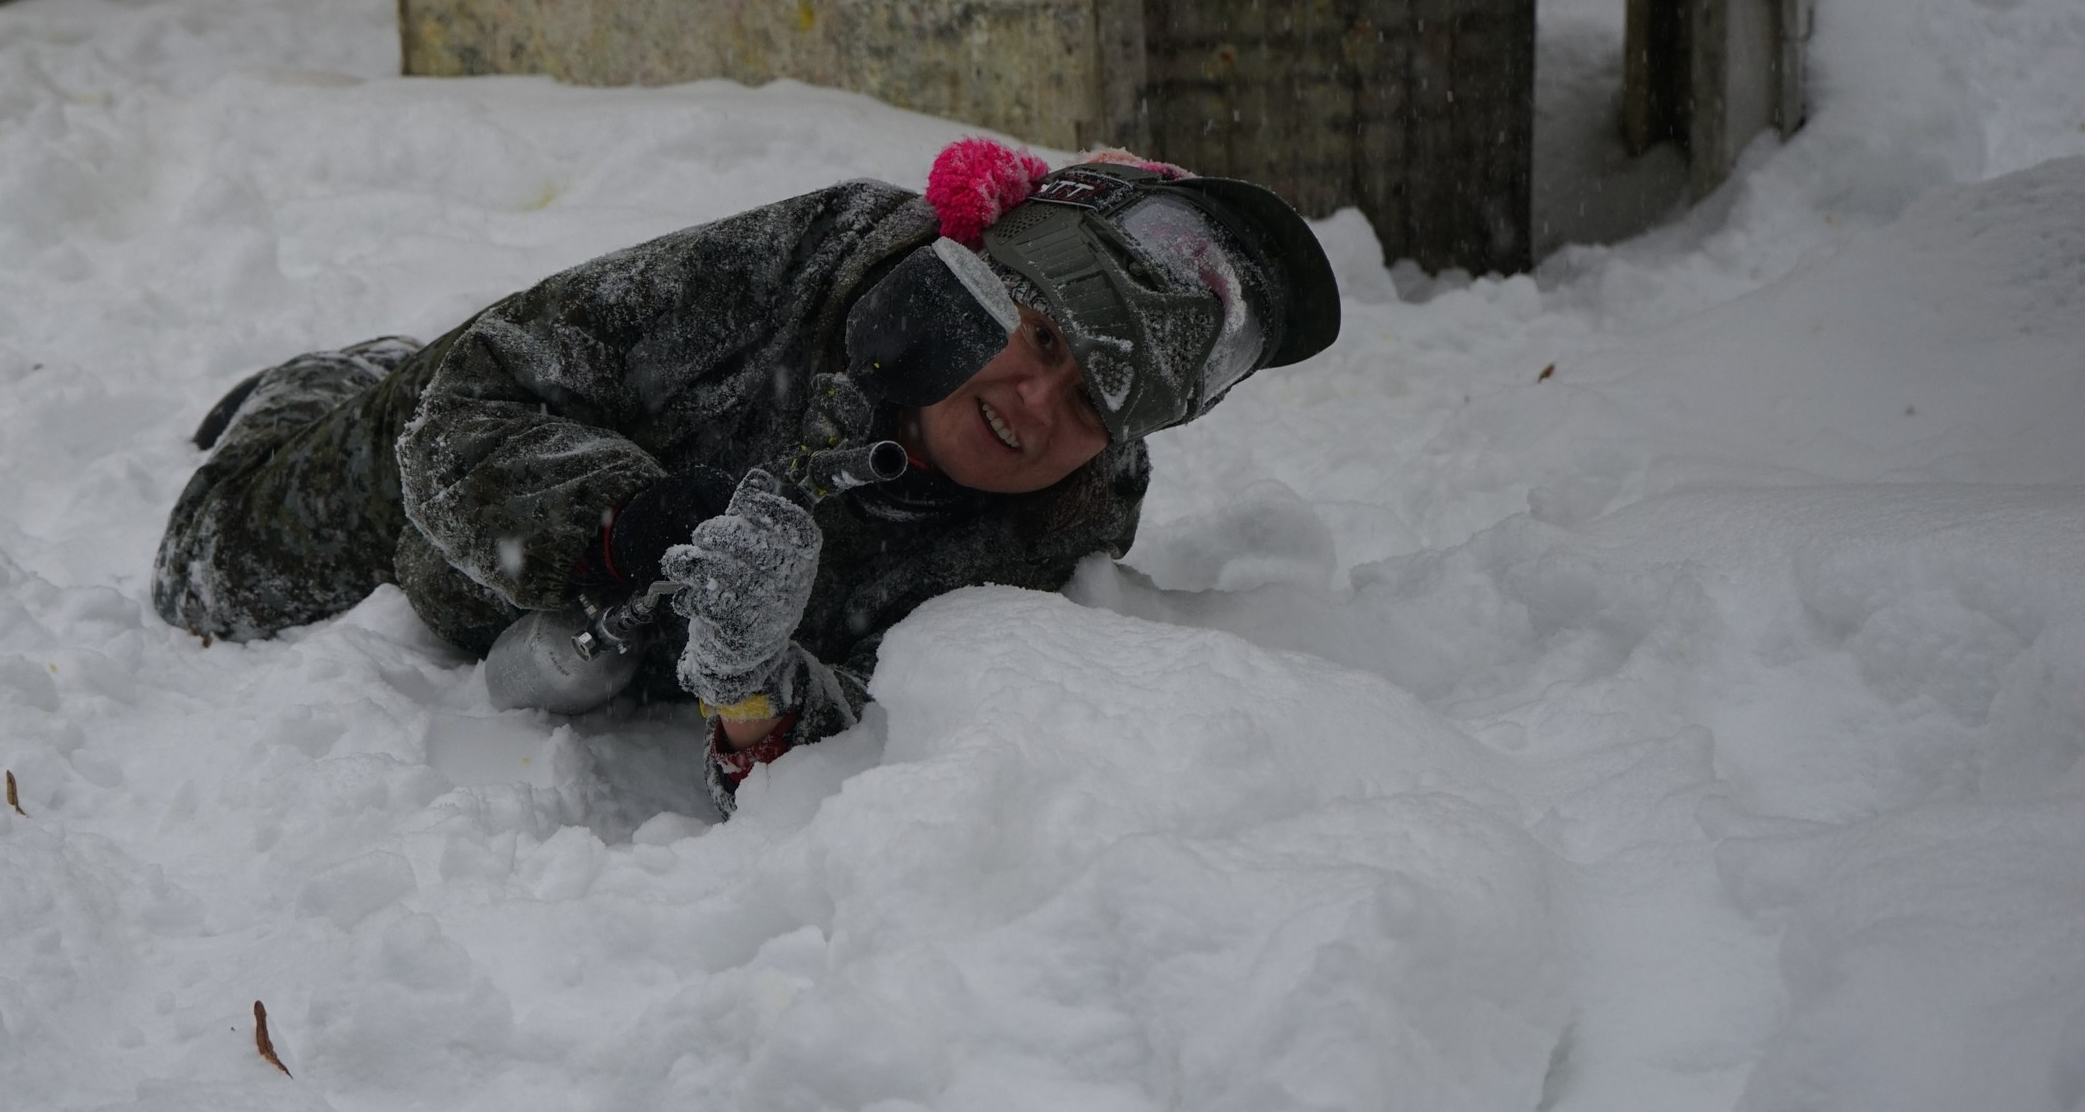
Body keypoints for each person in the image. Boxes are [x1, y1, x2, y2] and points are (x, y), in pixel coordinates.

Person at [151, 141, 1341, 813]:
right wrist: (628, 523)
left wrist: (755, 681)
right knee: (204, 573)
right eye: (1032, 338)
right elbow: (485, 391)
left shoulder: (1054, 544)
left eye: (1086, 399)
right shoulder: (820, 259)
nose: (1031, 406)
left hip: (569, 624)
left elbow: (882, 738)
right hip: (438, 490)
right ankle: (327, 377)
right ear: (970, 270)